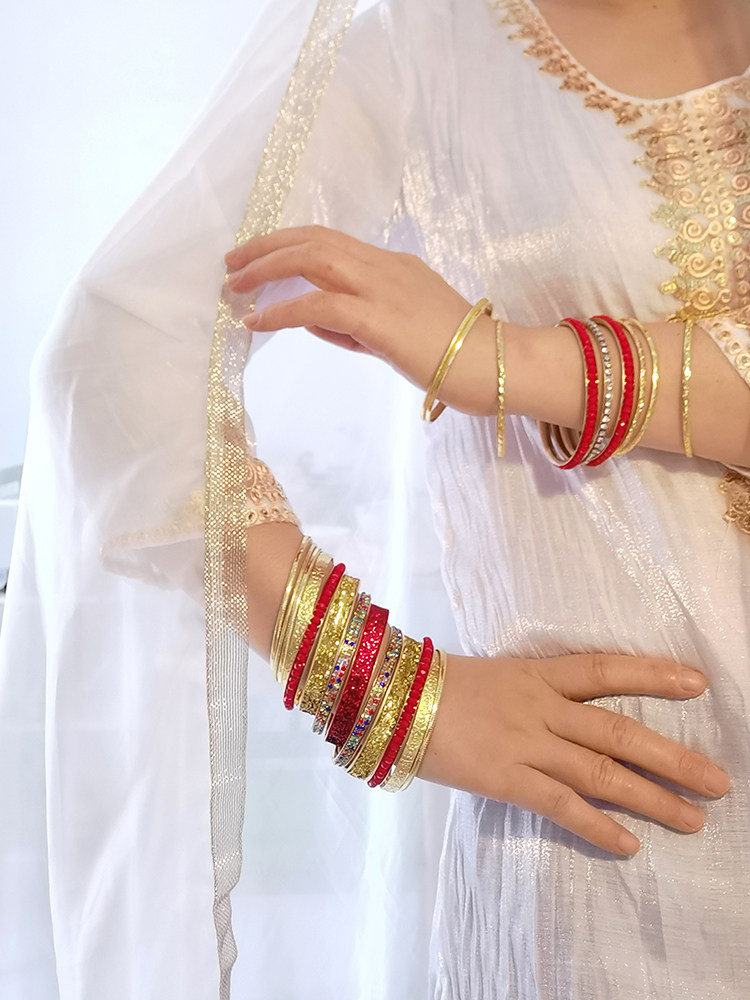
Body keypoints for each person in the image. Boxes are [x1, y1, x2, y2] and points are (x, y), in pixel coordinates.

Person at [1, 0, 748, 998]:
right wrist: (386, 691)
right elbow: (118, 353)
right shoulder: (424, 45)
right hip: (616, 877)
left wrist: (505, 360)